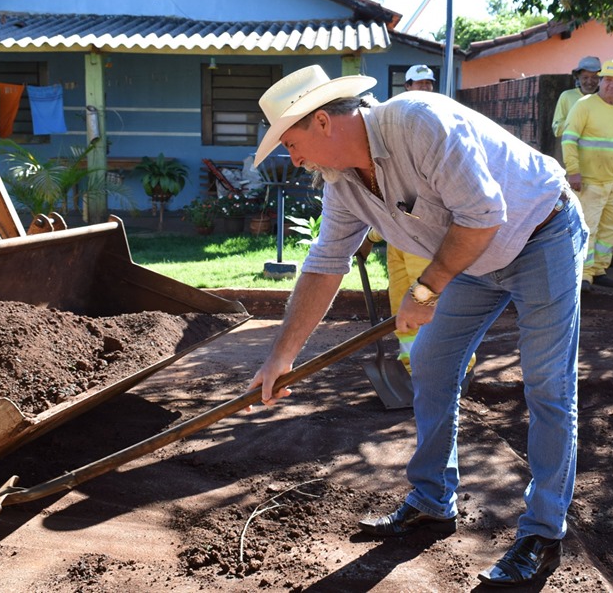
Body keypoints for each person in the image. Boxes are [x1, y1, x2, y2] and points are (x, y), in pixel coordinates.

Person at [249, 65, 587, 587]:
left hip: (541, 234)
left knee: (546, 383)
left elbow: (484, 215)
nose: (295, 160)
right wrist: (281, 355)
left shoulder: (418, 121)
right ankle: (432, 498)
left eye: (291, 144)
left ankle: (542, 532)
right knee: (429, 361)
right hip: (473, 258)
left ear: (321, 123)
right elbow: (324, 264)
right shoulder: (343, 185)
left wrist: (425, 291)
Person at [367, 64, 474, 377]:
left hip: (424, 237)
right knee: (401, 302)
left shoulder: (435, 124)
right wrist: (373, 234)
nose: (425, 88)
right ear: (407, 86)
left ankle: (456, 370)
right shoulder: (392, 126)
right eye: (419, 83)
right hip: (399, 238)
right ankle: (413, 366)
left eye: (429, 83)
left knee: (428, 302)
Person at [561, 59, 613, 292]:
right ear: (600, 81)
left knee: (611, 229)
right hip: (590, 182)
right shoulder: (584, 105)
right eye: (607, 80)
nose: (612, 85)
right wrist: (573, 171)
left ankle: (599, 269)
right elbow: (569, 139)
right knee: (589, 228)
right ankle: (583, 274)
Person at [552, 56, 601, 138]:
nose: (589, 82)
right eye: (585, 77)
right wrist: (577, 122)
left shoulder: (603, 99)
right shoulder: (567, 96)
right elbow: (557, 130)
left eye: (594, 77)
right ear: (578, 77)